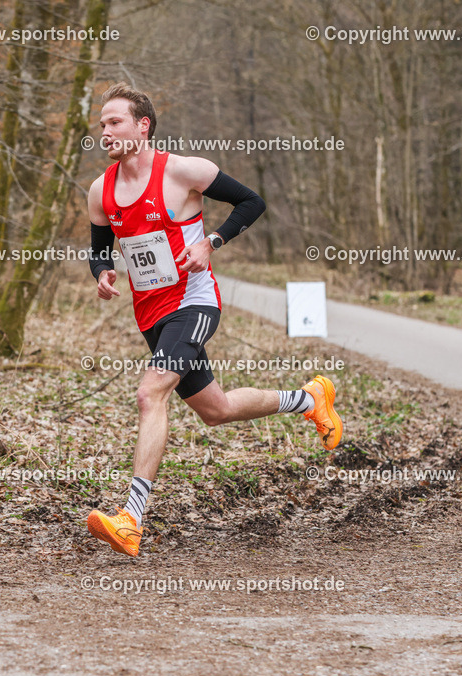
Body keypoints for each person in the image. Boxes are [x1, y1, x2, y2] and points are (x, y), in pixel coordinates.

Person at [85, 83, 342, 557]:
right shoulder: (101, 190)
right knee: (215, 410)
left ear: (143, 126)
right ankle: (308, 399)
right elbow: (98, 250)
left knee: (150, 393)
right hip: (150, 313)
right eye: (102, 124)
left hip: (195, 302)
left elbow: (252, 203)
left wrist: (212, 242)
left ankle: (131, 519)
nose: (105, 131)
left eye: (114, 121)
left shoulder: (184, 171)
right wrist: (102, 273)